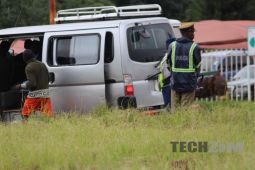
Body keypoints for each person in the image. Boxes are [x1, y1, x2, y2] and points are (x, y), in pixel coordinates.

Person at [167, 22, 201, 111]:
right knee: (186, 110)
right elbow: (198, 67)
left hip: (175, 83)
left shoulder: (172, 45)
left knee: (175, 110)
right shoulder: (195, 47)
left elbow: (168, 64)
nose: (193, 34)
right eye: (192, 32)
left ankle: (176, 125)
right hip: (188, 84)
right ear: (188, 32)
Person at [15, 49, 52, 119]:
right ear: (33, 56)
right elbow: (48, 78)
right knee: (47, 117)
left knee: (25, 114)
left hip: (35, 96)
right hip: (46, 95)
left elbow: (32, 83)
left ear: (24, 58)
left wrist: (21, 86)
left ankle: (26, 129)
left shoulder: (29, 67)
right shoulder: (42, 64)